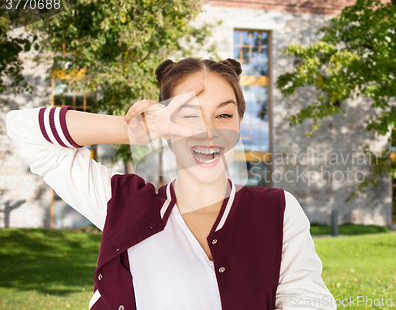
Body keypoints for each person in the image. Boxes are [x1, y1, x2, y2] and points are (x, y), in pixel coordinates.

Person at [6, 57, 337, 310]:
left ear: (239, 123)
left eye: (224, 115)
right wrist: (134, 132)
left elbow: (307, 299)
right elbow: (22, 128)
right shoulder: (124, 204)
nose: (208, 132)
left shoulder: (277, 209)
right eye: (189, 116)